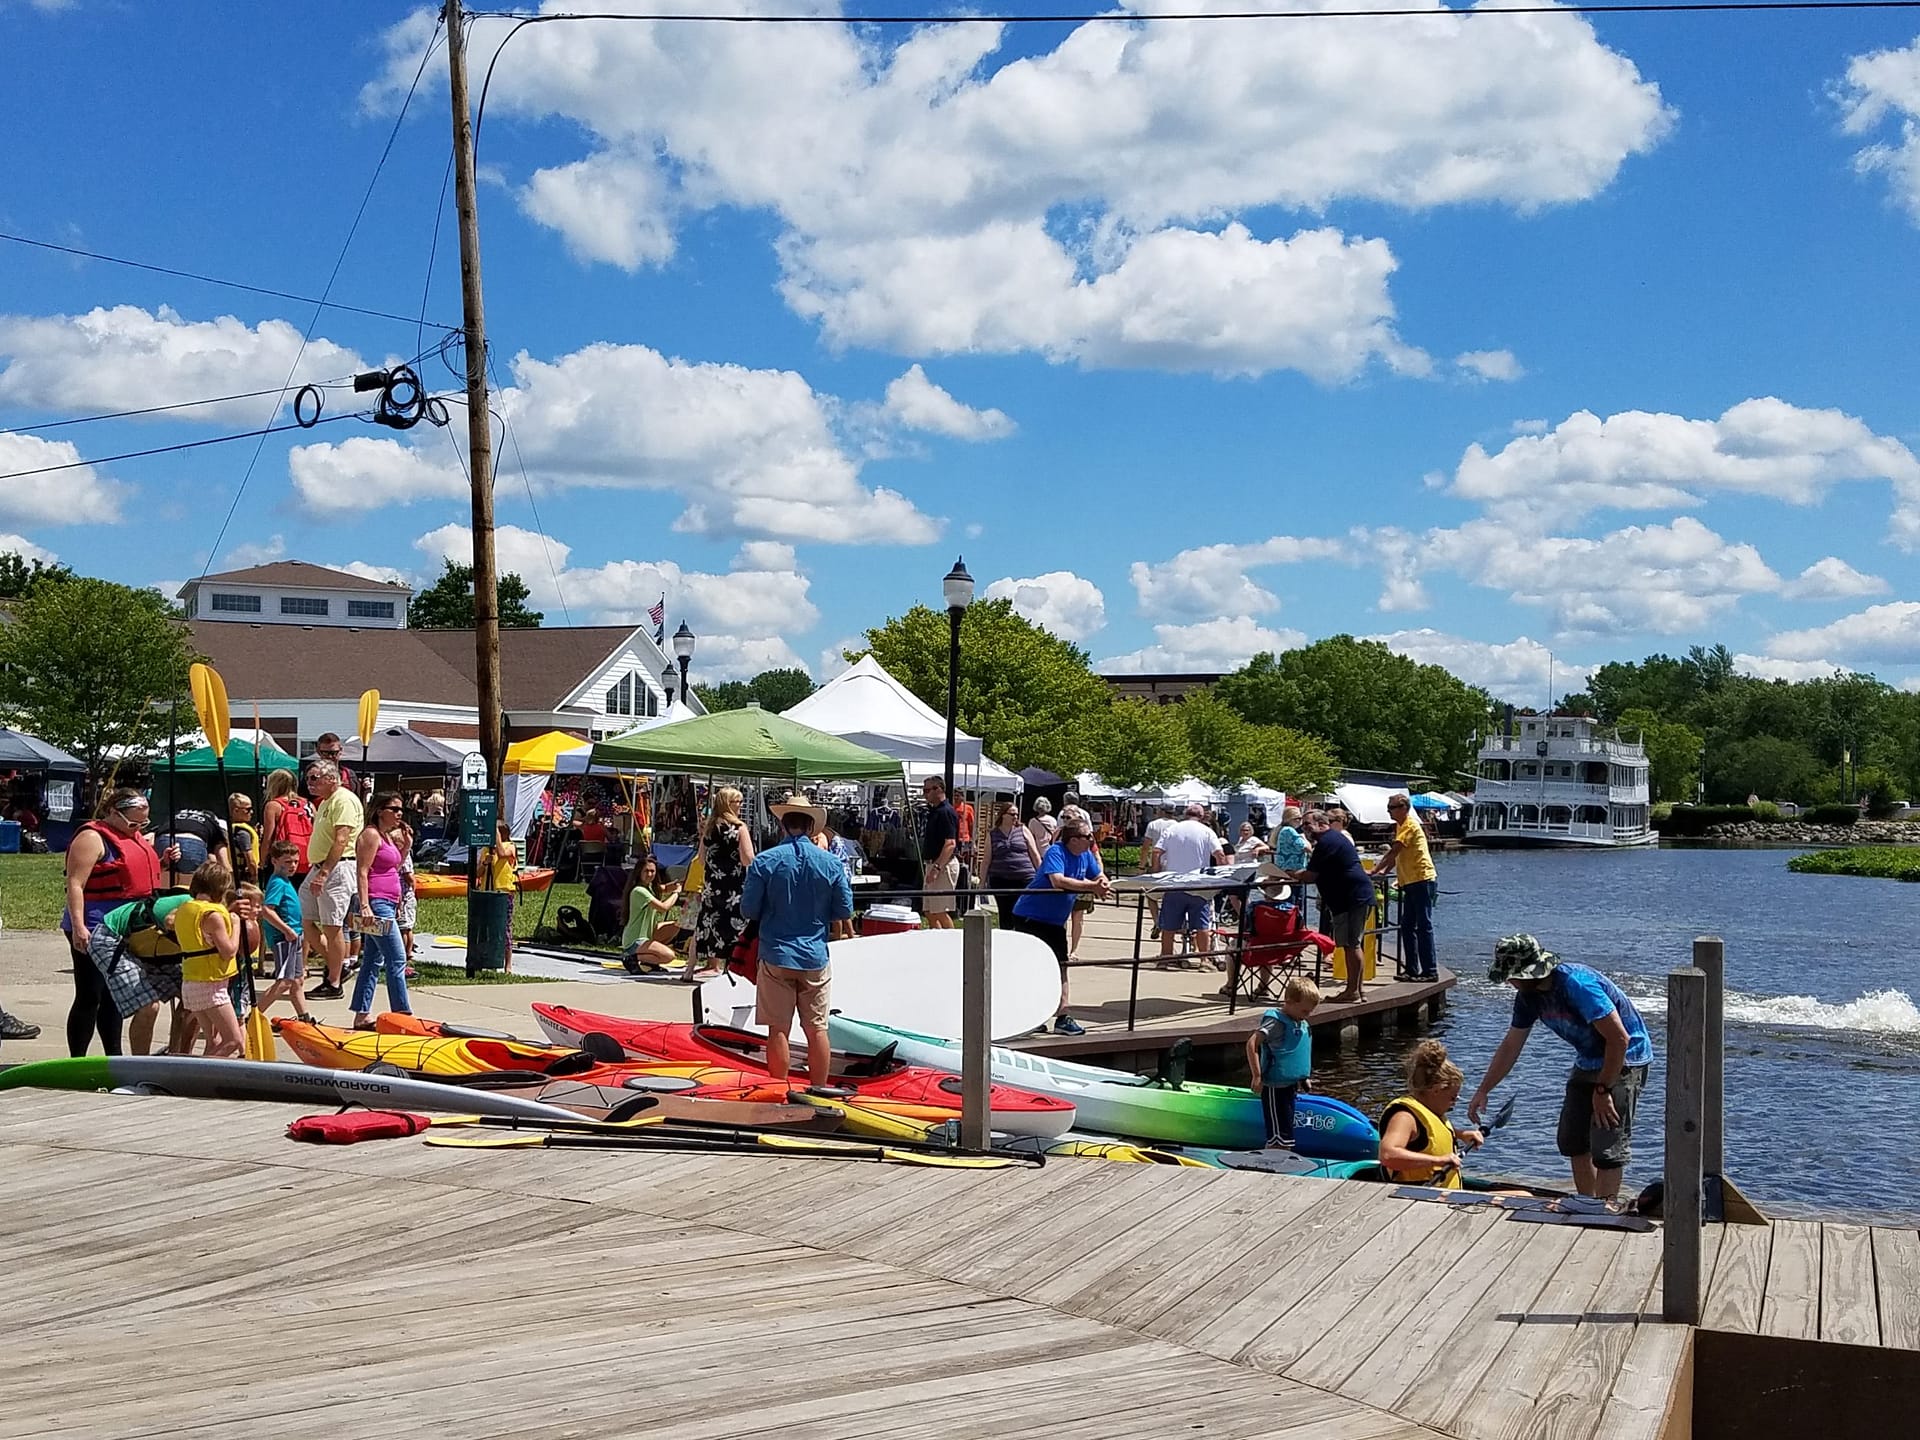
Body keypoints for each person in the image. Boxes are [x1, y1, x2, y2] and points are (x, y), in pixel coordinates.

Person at [1469, 934, 1653, 1204]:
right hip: (1587, 1060)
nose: (1509, 982)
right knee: (1572, 1140)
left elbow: (1619, 1039)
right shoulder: (1527, 997)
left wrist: (1603, 1090)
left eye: (1511, 976)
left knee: (1607, 1144)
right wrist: (1484, 1089)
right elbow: (1511, 1044)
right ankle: (1586, 1204)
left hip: (1625, 1059)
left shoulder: (1578, 986)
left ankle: (1604, 1211)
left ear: (1530, 973)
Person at [741, 798, 853, 1090]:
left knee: (778, 1029)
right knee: (817, 1029)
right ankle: (818, 1092)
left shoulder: (764, 861)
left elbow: (749, 910)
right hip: (815, 955)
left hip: (776, 952)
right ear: (810, 827)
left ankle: (778, 1091)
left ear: (782, 824)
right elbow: (844, 911)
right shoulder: (831, 863)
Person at [63, 787, 174, 1056]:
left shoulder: (133, 837)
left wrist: (163, 862)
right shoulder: (92, 838)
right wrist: (79, 927)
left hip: (127, 927)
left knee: (114, 996)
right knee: (91, 994)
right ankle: (78, 1058)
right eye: (133, 822)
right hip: (95, 926)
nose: (137, 828)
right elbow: (75, 884)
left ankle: (113, 1055)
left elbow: (131, 873)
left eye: (143, 823)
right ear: (113, 813)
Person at [1010, 818, 1111, 1035]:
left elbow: (1097, 874)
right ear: (1074, 840)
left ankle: (1063, 1016)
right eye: (1088, 837)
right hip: (1031, 917)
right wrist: (1093, 886)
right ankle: (1031, 1016)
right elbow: (1058, 881)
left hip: (1055, 921)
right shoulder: (1056, 852)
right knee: (1034, 967)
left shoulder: (1085, 855)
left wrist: (1102, 882)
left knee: (1061, 966)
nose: (1092, 840)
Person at [1284, 810, 1375, 1004]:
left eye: (1308, 825)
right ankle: (1358, 991)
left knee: (1352, 944)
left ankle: (1353, 991)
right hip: (1353, 896)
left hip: (1350, 898)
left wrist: (1291, 874)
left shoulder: (1326, 842)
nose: (1305, 829)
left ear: (1321, 823)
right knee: (1352, 944)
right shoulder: (1334, 838)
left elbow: (1310, 876)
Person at [1380, 1039, 1485, 1188]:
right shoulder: (1404, 1117)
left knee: (1523, 1196)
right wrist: (1438, 1161)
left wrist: (1460, 1134)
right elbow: (1388, 1156)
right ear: (1436, 1090)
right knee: (1523, 1197)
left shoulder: (1429, 1112)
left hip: (1445, 1196)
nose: (1455, 1102)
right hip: (1418, 1199)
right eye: (1453, 1097)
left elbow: (1426, 1137)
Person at [349, 792, 413, 1027]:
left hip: (387, 903)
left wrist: (405, 847)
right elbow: (363, 871)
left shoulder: (385, 837)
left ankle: (361, 1013)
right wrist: (365, 905)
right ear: (379, 810)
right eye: (394, 809)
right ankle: (402, 1015)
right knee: (397, 959)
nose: (399, 814)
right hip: (375, 904)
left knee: (373, 961)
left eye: (400, 810)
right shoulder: (370, 835)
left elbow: (392, 868)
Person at [300, 760, 362, 1002]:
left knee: (332, 926)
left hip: (336, 868)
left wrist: (325, 872)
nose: (310, 783)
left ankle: (333, 981)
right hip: (318, 868)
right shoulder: (325, 802)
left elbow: (341, 839)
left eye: (315, 778)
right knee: (305, 919)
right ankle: (339, 966)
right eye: (308, 778)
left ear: (331, 778)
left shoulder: (343, 800)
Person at [171, 861, 246, 1058]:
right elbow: (228, 951)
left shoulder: (184, 909)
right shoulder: (212, 915)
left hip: (191, 982)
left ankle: (204, 1074)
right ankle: (194, 1078)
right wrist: (236, 923)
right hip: (211, 985)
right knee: (233, 1040)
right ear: (220, 888)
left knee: (214, 1041)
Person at [1244, 975, 1321, 1148]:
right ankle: (1274, 1158)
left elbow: (1295, 1052)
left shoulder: (1298, 1022)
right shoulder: (1275, 1022)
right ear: (1289, 1002)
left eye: (1309, 1012)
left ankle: (1282, 1154)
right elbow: (1252, 1043)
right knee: (1278, 1134)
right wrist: (1257, 1076)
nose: (1307, 1016)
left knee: (1285, 1130)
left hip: (1289, 1085)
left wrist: (1303, 1077)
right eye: (1304, 1011)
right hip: (1274, 1087)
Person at [1152, 803, 1228, 967]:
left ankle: (1165, 958)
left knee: (1169, 925)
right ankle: (1204, 960)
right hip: (1199, 884)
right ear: (1201, 816)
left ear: (1185, 814)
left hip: (1175, 883)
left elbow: (1157, 851)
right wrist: (1222, 878)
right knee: (1202, 925)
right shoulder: (1207, 832)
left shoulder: (1172, 829)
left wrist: (1157, 874)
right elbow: (1220, 854)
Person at [1373, 794, 1439, 982]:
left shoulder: (1410, 825)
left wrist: (1376, 869)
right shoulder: (1400, 826)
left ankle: (1430, 971)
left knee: (1423, 925)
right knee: (1407, 926)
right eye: (1388, 808)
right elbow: (1397, 857)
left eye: (1391, 808)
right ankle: (1411, 969)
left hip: (1422, 879)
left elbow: (1394, 851)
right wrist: (1383, 873)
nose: (1389, 811)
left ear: (1403, 807)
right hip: (1409, 881)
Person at [691, 786, 752, 981]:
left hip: (712, 887)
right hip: (734, 887)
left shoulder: (710, 827)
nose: (740, 806)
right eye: (738, 802)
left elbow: (700, 858)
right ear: (728, 804)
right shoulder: (739, 828)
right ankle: (729, 970)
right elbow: (748, 859)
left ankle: (689, 969)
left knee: (704, 926)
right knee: (735, 928)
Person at [255, 841, 314, 1023]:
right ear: (274, 861)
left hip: (293, 936)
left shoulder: (285, 881)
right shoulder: (278, 883)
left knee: (297, 980)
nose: (293, 866)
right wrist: (286, 929)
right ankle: (254, 1017)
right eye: (287, 862)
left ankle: (304, 1017)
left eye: (295, 862)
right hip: (285, 938)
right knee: (285, 981)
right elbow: (267, 910)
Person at [620, 854, 683, 973]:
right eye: (646, 871)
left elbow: (663, 888)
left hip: (647, 935)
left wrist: (679, 883)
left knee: (677, 925)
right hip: (635, 940)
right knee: (669, 956)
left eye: (652, 871)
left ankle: (650, 961)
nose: (649, 874)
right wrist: (676, 893)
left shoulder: (649, 887)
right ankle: (631, 958)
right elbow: (663, 908)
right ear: (639, 872)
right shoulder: (639, 891)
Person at [987, 800, 1041, 932]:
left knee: (1022, 912)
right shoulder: (993, 834)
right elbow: (986, 859)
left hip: (1024, 878)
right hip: (1000, 879)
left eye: (1017, 814)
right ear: (1003, 815)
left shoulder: (1023, 830)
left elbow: (1035, 854)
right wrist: (982, 882)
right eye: (1012, 814)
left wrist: (1042, 877)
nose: (1015, 817)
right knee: (1005, 913)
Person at [154, 800, 229, 891]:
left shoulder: (175, 815)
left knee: (163, 886)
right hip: (193, 842)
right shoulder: (215, 825)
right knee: (189, 891)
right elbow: (223, 862)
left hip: (164, 840)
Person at [261, 769, 314, 894]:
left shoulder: (273, 805)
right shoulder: (308, 804)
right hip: (305, 859)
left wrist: (262, 860)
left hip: (281, 858)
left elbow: (268, 837)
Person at [478, 819, 521, 972]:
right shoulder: (485, 850)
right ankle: (488, 959)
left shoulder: (510, 847)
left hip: (504, 893)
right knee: (487, 927)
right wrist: (485, 863)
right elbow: (478, 873)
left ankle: (507, 964)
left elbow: (502, 853)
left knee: (505, 928)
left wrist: (495, 832)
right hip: (488, 890)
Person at [919, 776, 960, 929]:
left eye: (927, 790)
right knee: (929, 910)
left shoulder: (946, 812)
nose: (925, 794)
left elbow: (950, 843)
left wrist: (936, 868)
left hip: (943, 865)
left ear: (939, 789)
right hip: (932, 863)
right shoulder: (934, 811)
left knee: (940, 911)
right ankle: (936, 940)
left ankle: (952, 943)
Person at [227, 793, 259, 885]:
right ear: (236, 811)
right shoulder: (242, 833)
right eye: (248, 809)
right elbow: (249, 858)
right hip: (244, 877)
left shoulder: (231, 828)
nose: (251, 812)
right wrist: (254, 875)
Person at [1268, 805, 1309, 872]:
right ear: (1291, 819)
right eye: (1299, 818)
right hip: (1293, 869)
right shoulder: (1289, 830)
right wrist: (1304, 837)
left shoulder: (1282, 829)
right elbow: (1307, 848)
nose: (1301, 821)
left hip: (1284, 868)